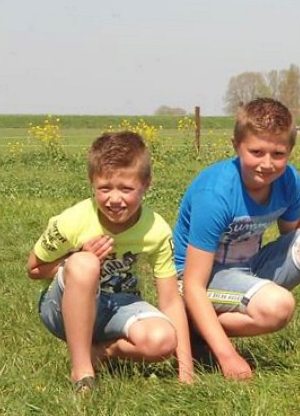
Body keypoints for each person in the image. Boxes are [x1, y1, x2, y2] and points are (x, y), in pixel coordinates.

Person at [173, 97, 300, 380]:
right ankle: (194, 328)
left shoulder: (288, 181)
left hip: (249, 267)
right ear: (236, 146)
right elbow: (193, 284)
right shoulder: (215, 194)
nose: (267, 164)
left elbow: (290, 231)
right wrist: (228, 356)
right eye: (256, 152)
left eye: (278, 154)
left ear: (290, 150)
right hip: (197, 280)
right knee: (277, 307)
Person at [27, 131, 193, 391]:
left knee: (162, 340)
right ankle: (82, 373)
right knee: (85, 264)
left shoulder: (156, 229)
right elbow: (34, 269)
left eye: (126, 189)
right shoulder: (73, 220)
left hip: (120, 303)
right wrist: (75, 256)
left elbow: (170, 298)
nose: (114, 199)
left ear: (147, 184)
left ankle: (101, 353)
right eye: (104, 188)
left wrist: (185, 370)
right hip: (62, 308)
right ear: (92, 183)